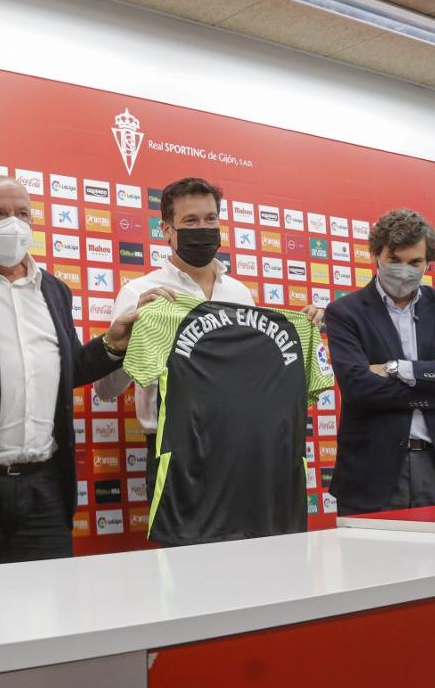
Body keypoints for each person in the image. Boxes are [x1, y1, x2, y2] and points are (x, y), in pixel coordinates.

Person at [0, 175, 163, 564]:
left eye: (22, 213)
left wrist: (113, 344)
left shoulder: (53, 289)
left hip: (45, 489)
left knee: (48, 610)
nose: (12, 223)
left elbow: (67, 366)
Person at [94, 176, 323, 488]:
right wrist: (130, 343)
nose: (202, 228)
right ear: (167, 230)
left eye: (210, 219)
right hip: (174, 455)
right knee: (183, 541)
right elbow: (106, 391)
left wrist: (299, 334)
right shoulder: (140, 293)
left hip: (240, 452)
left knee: (250, 540)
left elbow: (254, 376)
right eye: (190, 220)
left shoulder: (240, 293)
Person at [325, 208, 435, 515]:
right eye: (394, 260)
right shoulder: (345, 312)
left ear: (428, 262)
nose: (404, 270)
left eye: (415, 262)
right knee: (373, 563)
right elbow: (358, 388)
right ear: (376, 255)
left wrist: (397, 369)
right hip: (373, 472)